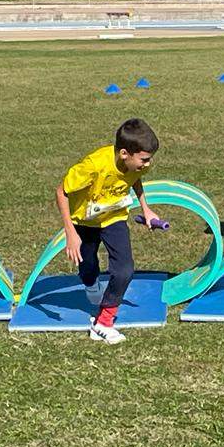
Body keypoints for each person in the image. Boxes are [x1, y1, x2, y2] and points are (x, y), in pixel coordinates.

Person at [57, 118, 162, 345]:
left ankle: (103, 323)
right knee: (88, 267)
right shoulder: (93, 166)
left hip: (114, 217)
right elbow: (61, 192)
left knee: (124, 270)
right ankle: (90, 281)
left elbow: (135, 179)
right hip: (84, 221)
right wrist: (70, 233)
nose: (147, 164)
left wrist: (146, 209)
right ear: (124, 153)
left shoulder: (137, 164)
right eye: (144, 159)